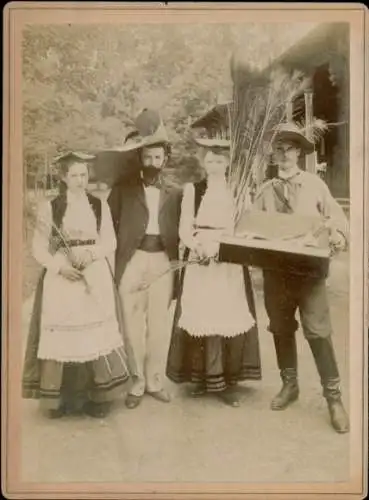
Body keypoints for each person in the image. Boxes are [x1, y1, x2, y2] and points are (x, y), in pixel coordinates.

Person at [253, 121, 350, 433]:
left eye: (290, 148)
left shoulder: (315, 185)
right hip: (276, 274)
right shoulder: (264, 191)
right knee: (280, 328)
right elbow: (251, 227)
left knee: (318, 332)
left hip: (309, 273)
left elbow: (337, 217)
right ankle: (289, 384)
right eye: (279, 148)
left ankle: (334, 398)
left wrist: (337, 234)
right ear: (274, 153)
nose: (284, 154)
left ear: (299, 152)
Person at [166, 104, 262, 407]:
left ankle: (226, 382)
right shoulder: (194, 190)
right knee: (201, 314)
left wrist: (226, 247)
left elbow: (246, 227)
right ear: (204, 161)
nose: (215, 163)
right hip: (201, 260)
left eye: (220, 159)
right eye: (210, 158)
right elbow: (184, 228)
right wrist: (198, 246)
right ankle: (201, 378)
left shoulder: (238, 191)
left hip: (228, 261)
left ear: (227, 162)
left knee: (226, 315)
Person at [22, 152, 131, 419]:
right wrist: (60, 267)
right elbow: (38, 246)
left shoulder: (98, 205)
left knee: (94, 331)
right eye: (74, 176)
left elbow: (110, 241)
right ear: (63, 177)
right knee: (64, 331)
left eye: (84, 175)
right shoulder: (53, 207)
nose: (81, 181)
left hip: (93, 272)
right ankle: (60, 398)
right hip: (64, 275)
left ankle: (98, 395)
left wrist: (92, 255)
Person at [107, 109, 183, 410]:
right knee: (132, 322)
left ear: (165, 159)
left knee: (159, 324)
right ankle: (136, 382)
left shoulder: (175, 193)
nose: (152, 163)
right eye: (147, 157)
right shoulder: (123, 190)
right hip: (133, 261)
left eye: (157, 157)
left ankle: (154, 380)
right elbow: (107, 226)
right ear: (139, 158)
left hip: (163, 262)